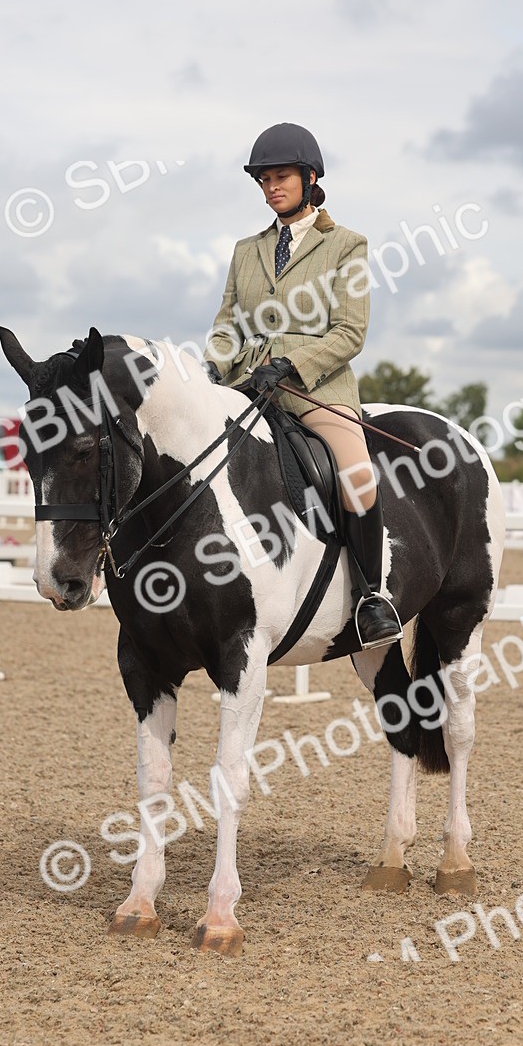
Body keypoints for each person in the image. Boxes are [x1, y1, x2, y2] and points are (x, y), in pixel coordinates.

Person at [203, 122, 401, 650]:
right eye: (264, 180)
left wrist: (290, 365)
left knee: (356, 473)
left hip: (315, 394)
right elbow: (227, 325)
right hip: (247, 389)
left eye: (281, 176)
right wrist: (211, 373)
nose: (271, 187)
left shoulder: (346, 246)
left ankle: (371, 596)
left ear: (310, 178)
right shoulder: (246, 250)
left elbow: (350, 331)